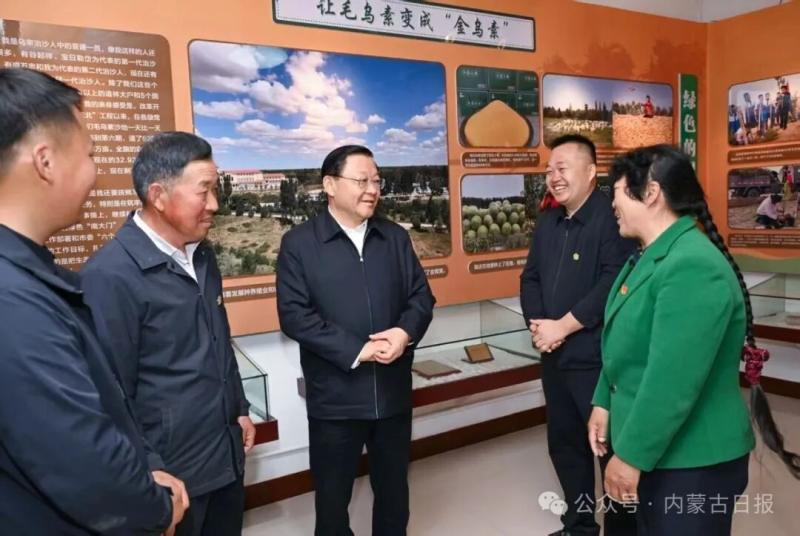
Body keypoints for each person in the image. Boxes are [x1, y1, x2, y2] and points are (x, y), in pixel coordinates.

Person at [0, 67, 187, 534]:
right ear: (45, 162)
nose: (94, 172)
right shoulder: (13, 300)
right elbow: (78, 455)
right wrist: (157, 508)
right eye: (89, 154)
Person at [589, 144, 800, 535]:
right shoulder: (650, 256)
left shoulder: (692, 265)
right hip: (658, 448)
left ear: (651, 193)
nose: (612, 203)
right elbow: (624, 343)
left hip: (692, 462)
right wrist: (604, 400)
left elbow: (671, 380)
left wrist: (630, 455)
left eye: (616, 190)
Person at [81, 132, 253, 536]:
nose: (215, 204)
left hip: (225, 455)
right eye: (204, 192)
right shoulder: (110, 276)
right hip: (172, 478)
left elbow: (218, 341)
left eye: (215, 190)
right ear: (158, 195)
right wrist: (148, 470)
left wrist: (239, 407)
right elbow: (110, 393)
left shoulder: (202, 254)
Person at [276, 144, 435, 536]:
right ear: (330, 185)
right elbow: (294, 316)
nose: (372, 189)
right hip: (336, 401)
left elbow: (421, 297)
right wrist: (357, 350)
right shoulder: (300, 244)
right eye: (362, 181)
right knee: (332, 505)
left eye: (377, 181)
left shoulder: (394, 237)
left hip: (393, 395)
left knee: (394, 496)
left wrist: (404, 333)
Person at [520, 134, 636, 536]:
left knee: (609, 450)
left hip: (597, 363)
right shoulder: (549, 221)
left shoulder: (612, 219)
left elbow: (612, 283)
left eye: (562, 168)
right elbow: (530, 277)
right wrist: (540, 327)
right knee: (565, 445)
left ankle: (624, 531)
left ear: (591, 172)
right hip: (554, 356)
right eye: (549, 170)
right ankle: (580, 525)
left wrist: (563, 326)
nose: (553, 177)